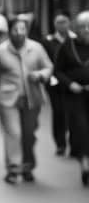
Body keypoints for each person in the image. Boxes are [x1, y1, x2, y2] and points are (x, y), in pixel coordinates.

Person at [0, 17, 52, 184]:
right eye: (16, 29)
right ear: (9, 31)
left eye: (23, 29)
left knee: (28, 135)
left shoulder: (36, 48)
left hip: (32, 98)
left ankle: (27, 166)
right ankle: (13, 168)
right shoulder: (1, 51)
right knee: (14, 133)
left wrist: (41, 75)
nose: (20, 33)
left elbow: (49, 67)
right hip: (7, 100)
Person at [53, 11, 89, 186]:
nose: (87, 30)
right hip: (75, 95)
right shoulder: (68, 46)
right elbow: (57, 70)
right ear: (76, 28)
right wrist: (70, 84)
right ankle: (84, 164)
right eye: (83, 27)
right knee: (80, 128)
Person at [43, 12, 76, 157]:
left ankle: (75, 144)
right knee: (59, 112)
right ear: (54, 24)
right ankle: (60, 144)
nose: (62, 24)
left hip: (73, 83)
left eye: (64, 21)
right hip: (55, 83)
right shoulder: (48, 40)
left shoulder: (76, 39)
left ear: (70, 23)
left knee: (74, 113)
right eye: (58, 22)